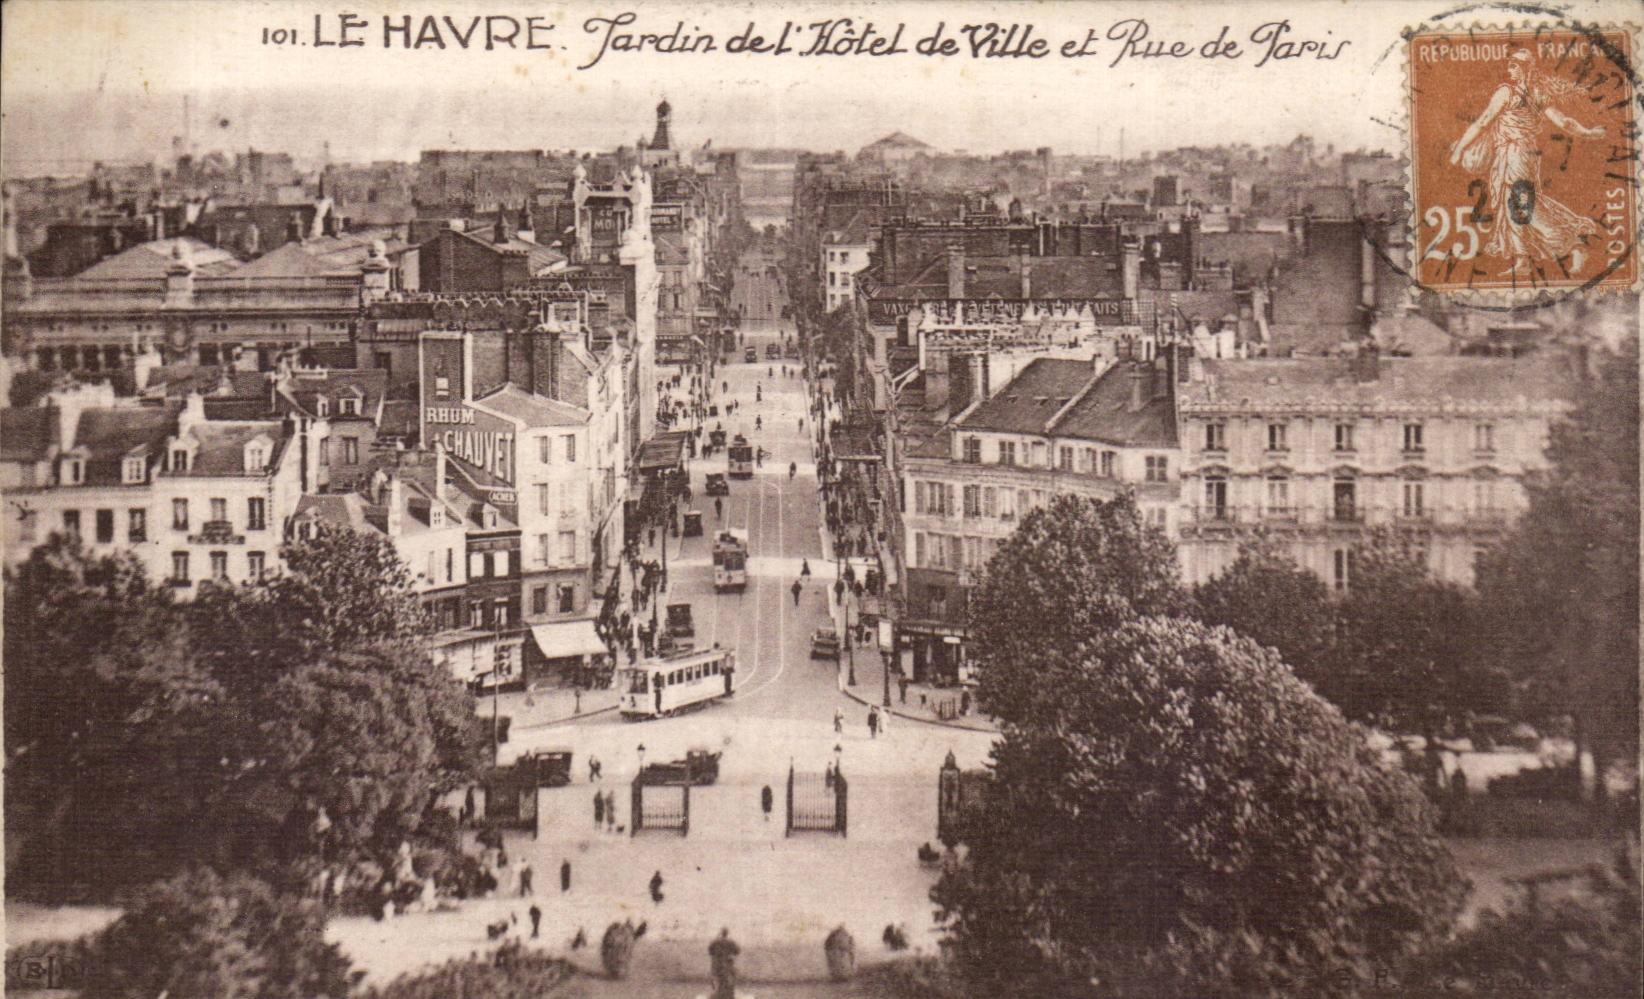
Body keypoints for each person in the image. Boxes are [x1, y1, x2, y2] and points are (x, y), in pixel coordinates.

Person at [1447, 47, 1606, 275]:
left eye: (1514, 66)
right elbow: (1565, 122)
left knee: (1523, 205)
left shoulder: (1506, 93)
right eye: (1510, 65)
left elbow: (1483, 121)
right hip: (1521, 154)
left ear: (1524, 69)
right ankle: (1522, 260)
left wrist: (1460, 149)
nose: (1510, 69)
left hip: (1516, 154)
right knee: (1512, 203)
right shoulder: (1538, 95)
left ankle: (1574, 246)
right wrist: (1587, 133)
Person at [709, 928, 741, 999]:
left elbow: (710, 951)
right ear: (727, 934)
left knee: (718, 979)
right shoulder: (731, 942)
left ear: (721, 933)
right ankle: (728, 995)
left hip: (717, 964)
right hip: (727, 963)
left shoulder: (715, 942)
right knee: (729, 979)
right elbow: (737, 951)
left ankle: (718, 994)